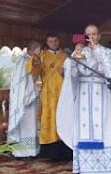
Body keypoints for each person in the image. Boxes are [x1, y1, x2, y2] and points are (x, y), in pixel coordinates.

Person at [56, 24, 111, 174]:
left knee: (104, 130)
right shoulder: (78, 52)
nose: (91, 37)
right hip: (83, 99)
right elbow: (71, 75)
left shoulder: (106, 52)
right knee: (84, 130)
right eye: (88, 35)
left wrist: (95, 50)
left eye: (93, 34)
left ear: (99, 36)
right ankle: (86, 168)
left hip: (102, 97)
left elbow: (107, 68)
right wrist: (75, 57)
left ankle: (108, 167)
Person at [37, 32, 72, 161]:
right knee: (51, 119)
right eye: (50, 41)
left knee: (65, 118)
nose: (53, 44)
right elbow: (34, 71)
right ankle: (52, 153)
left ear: (59, 41)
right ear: (47, 43)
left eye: (55, 41)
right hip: (49, 94)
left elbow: (75, 72)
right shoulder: (42, 56)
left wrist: (66, 71)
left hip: (64, 93)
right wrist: (34, 57)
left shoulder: (66, 55)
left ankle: (67, 150)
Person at [7, 40, 42, 159]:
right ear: (33, 49)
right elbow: (22, 82)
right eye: (38, 50)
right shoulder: (24, 61)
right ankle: (23, 153)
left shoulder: (27, 60)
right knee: (25, 126)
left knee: (31, 125)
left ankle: (31, 151)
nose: (40, 52)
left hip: (29, 99)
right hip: (25, 99)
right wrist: (31, 93)